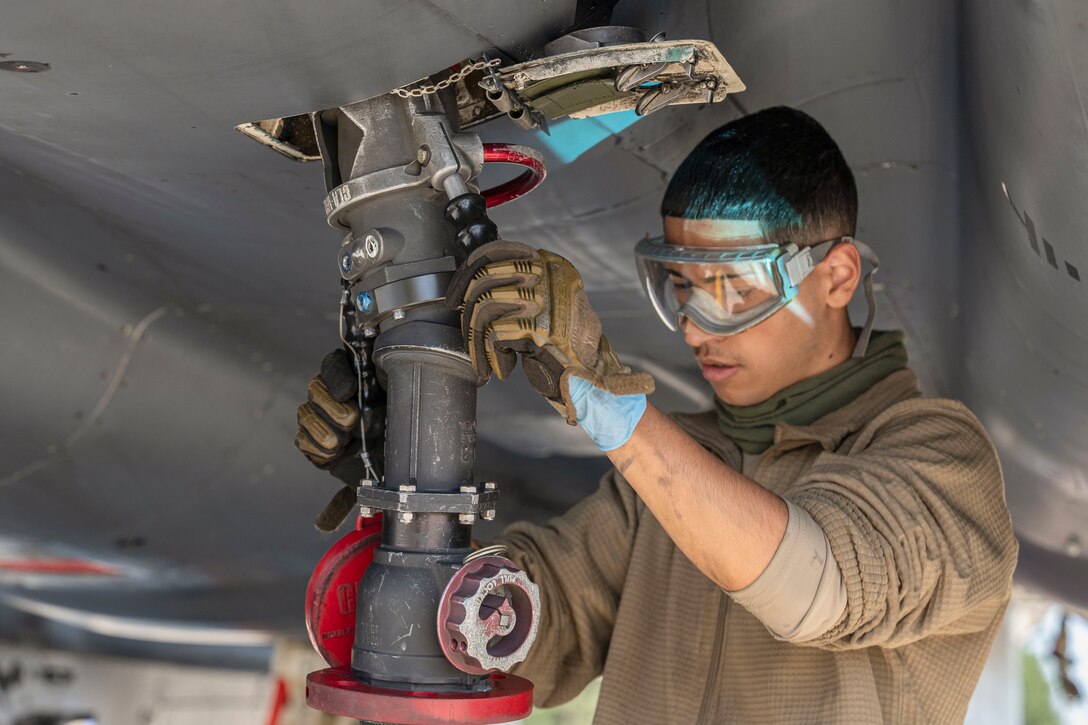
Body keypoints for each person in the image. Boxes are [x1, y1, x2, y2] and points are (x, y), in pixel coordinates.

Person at [296, 106, 1018, 724]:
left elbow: (815, 582)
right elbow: (516, 629)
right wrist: (402, 492)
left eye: (731, 287)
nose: (697, 327)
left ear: (835, 277)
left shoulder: (938, 458)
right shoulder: (671, 479)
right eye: (679, 286)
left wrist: (608, 403)